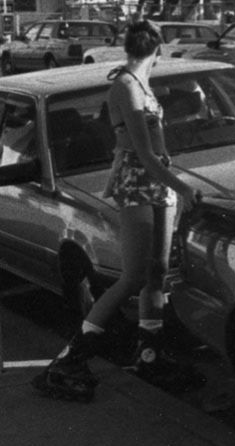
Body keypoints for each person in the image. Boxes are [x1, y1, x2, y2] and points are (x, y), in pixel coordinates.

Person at [33, 20, 205, 403]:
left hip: (158, 182)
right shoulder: (125, 86)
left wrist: (172, 184)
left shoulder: (142, 84)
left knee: (157, 273)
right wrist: (183, 186)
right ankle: (68, 359)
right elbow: (141, 152)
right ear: (157, 51)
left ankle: (150, 354)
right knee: (132, 277)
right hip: (140, 182)